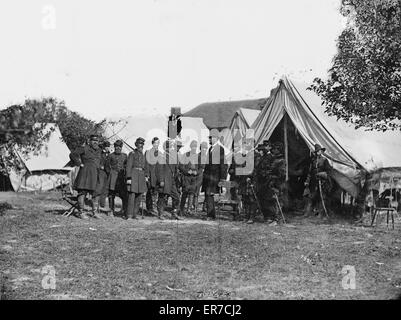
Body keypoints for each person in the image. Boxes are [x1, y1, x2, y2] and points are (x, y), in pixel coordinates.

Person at [69, 134, 102, 219]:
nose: (95, 142)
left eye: (97, 141)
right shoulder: (84, 148)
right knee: (82, 192)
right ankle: (81, 212)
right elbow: (73, 154)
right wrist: (79, 163)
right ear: (90, 141)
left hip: (95, 173)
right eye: (94, 140)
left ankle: (94, 212)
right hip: (85, 173)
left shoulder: (99, 150)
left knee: (96, 193)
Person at [201, 132, 228, 220]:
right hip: (208, 177)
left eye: (211, 138)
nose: (209, 140)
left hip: (214, 178)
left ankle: (210, 215)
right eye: (209, 138)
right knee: (208, 195)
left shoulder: (220, 149)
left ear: (216, 138)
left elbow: (223, 164)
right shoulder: (210, 149)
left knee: (209, 195)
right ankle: (211, 215)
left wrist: (222, 179)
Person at [304, 143, 333, 218]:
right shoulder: (313, 160)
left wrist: (323, 174)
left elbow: (329, 171)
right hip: (313, 181)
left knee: (322, 197)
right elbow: (310, 172)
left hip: (322, 182)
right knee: (311, 196)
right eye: (317, 151)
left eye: (319, 151)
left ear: (322, 152)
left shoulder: (324, 160)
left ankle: (321, 213)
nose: (318, 152)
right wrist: (307, 181)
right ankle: (308, 212)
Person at [155, 140, 181, 220]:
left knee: (176, 197)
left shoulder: (173, 156)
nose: (170, 148)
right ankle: (160, 214)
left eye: (171, 146)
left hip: (172, 180)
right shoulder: (162, 156)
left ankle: (174, 213)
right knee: (162, 197)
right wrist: (161, 180)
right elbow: (159, 170)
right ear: (165, 148)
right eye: (169, 146)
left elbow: (176, 169)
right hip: (164, 180)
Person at [125, 137, 149, 220]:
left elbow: (146, 166)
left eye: (142, 144)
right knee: (132, 196)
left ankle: (135, 214)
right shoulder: (132, 154)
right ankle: (129, 215)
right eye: (139, 144)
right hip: (134, 175)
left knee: (139, 196)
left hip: (141, 176)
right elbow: (128, 166)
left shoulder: (143, 155)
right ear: (136, 144)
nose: (141, 145)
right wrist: (129, 178)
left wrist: (146, 176)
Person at [105, 140, 127, 217]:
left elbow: (126, 166)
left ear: (121, 147)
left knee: (124, 194)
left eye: (119, 147)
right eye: (116, 146)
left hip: (121, 178)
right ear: (114, 147)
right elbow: (107, 166)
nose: (118, 148)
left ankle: (124, 209)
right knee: (111, 194)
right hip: (113, 177)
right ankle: (111, 210)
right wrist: (110, 173)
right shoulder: (110, 156)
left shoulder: (125, 156)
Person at [179, 140, 202, 216]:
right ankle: (181, 209)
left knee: (192, 193)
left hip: (194, 178)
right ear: (190, 147)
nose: (194, 148)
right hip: (186, 177)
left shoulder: (198, 156)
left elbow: (201, 168)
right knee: (185, 193)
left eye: (195, 147)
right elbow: (181, 166)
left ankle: (189, 209)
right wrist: (186, 171)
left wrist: (197, 172)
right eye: (193, 146)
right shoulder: (186, 155)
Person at [145, 137, 160, 216]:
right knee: (149, 191)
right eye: (155, 143)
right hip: (151, 175)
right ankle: (149, 208)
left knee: (155, 192)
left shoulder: (160, 153)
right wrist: (146, 175)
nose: (156, 145)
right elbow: (146, 164)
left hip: (157, 176)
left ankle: (154, 208)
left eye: (158, 143)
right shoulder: (148, 152)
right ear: (152, 143)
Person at [95, 140, 111, 213]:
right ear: (104, 146)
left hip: (107, 173)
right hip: (101, 172)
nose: (108, 148)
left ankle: (102, 204)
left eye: (108, 146)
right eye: (107, 146)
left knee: (105, 188)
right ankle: (96, 205)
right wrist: (100, 166)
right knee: (99, 187)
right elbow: (97, 161)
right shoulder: (100, 153)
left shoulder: (109, 154)